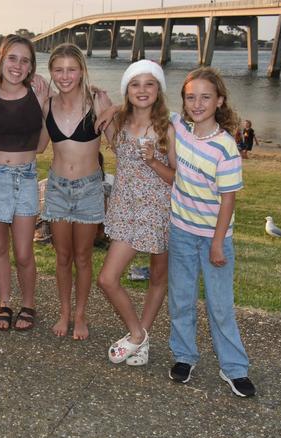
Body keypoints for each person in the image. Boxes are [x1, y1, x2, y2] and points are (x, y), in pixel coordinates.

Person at [167, 67, 256, 397]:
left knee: (220, 305)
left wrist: (218, 242)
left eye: (205, 97)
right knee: (181, 299)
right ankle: (184, 356)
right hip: (180, 232)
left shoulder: (225, 147)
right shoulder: (178, 126)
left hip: (214, 237)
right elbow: (141, 106)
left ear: (219, 101)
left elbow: (228, 200)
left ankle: (234, 368)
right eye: (191, 97)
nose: (197, 103)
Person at [96, 59, 176, 365]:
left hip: (158, 212)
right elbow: (117, 149)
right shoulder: (120, 123)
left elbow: (176, 178)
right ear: (127, 90)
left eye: (149, 83)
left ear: (158, 89)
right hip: (126, 211)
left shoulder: (167, 127)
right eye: (135, 84)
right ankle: (137, 333)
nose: (142, 90)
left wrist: (153, 161)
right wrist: (109, 107)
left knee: (158, 277)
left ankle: (141, 340)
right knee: (107, 278)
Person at [0, 34, 49, 331]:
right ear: (1, 60)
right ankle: (5, 302)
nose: (17, 65)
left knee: (25, 251)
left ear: (31, 67)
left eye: (25, 60)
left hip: (26, 177)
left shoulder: (39, 95)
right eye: (12, 58)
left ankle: (28, 304)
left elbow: (43, 143)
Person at [39, 44, 108, 340]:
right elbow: (40, 146)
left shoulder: (97, 103)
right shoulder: (48, 104)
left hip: (89, 188)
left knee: (83, 257)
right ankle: (64, 313)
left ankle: (80, 316)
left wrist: (114, 109)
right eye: (58, 70)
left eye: (71, 69)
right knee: (62, 256)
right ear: (51, 73)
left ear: (81, 71)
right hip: (56, 187)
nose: (65, 76)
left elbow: (118, 142)